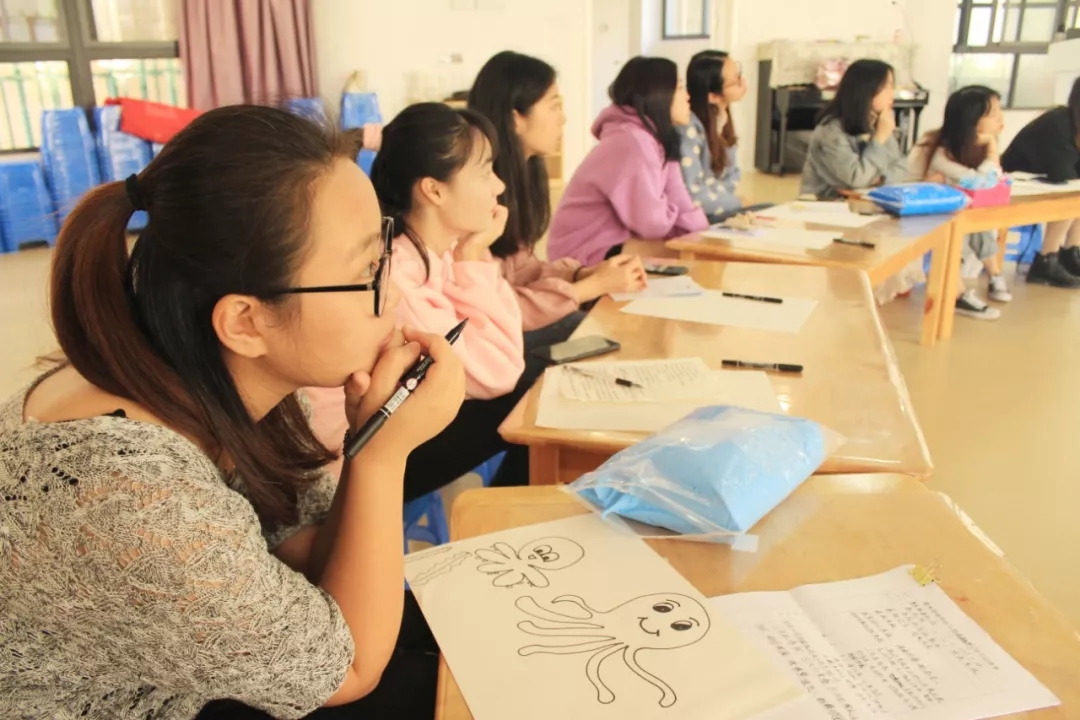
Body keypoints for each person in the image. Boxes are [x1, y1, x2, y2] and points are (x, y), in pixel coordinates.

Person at [0, 105, 466, 719]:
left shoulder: (211, 371)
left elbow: (307, 552)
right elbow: (347, 670)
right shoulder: (133, 499)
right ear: (245, 321)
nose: (395, 292)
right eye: (368, 271)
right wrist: (383, 453)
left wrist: (369, 438)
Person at [307, 103, 536, 495]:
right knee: (528, 397)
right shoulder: (399, 275)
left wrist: (472, 254)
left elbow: (503, 347)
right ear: (434, 190)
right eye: (485, 172)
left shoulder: (433, 254)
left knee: (537, 387)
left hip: (381, 431)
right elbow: (502, 371)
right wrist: (472, 256)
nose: (499, 186)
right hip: (351, 459)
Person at [468, 50, 647, 343]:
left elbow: (522, 270)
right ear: (515, 119)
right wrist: (590, 286)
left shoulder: (521, 177)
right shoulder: (480, 193)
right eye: (554, 106)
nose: (563, 119)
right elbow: (500, 306)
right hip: (488, 339)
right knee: (595, 331)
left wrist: (582, 274)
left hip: (508, 323)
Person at [547, 56, 709, 265]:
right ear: (658, 94)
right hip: (581, 250)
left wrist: (701, 234)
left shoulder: (658, 138)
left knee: (699, 250)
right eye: (679, 88)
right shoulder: (632, 142)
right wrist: (677, 218)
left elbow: (678, 196)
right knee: (689, 254)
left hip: (617, 240)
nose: (687, 96)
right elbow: (651, 224)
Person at [909, 85, 1009, 319]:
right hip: (915, 212)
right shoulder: (938, 149)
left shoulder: (972, 147)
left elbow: (990, 180)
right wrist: (992, 149)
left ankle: (991, 277)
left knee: (972, 219)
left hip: (947, 210)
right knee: (960, 223)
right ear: (971, 121)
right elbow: (980, 182)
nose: (1001, 119)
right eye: (993, 114)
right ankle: (960, 293)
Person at [1001, 76, 1080, 288]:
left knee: (1074, 190)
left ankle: (1071, 251)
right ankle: (1046, 259)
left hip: (1044, 181)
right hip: (1016, 180)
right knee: (1071, 192)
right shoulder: (1059, 121)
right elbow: (1062, 173)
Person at [800, 59, 909, 199]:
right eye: (887, 86)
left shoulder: (879, 123)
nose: (892, 94)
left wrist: (881, 179)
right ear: (866, 89)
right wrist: (879, 139)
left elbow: (902, 168)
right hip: (829, 205)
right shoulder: (831, 131)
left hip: (870, 203)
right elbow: (856, 179)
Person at [679, 49, 752, 222]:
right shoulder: (688, 129)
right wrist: (735, 203)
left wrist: (729, 201)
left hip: (718, 206)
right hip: (698, 215)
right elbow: (692, 194)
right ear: (713, 96)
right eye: (736, 81)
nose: (743, 82)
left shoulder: (722, 119)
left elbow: (732, 176)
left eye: (739, 73)